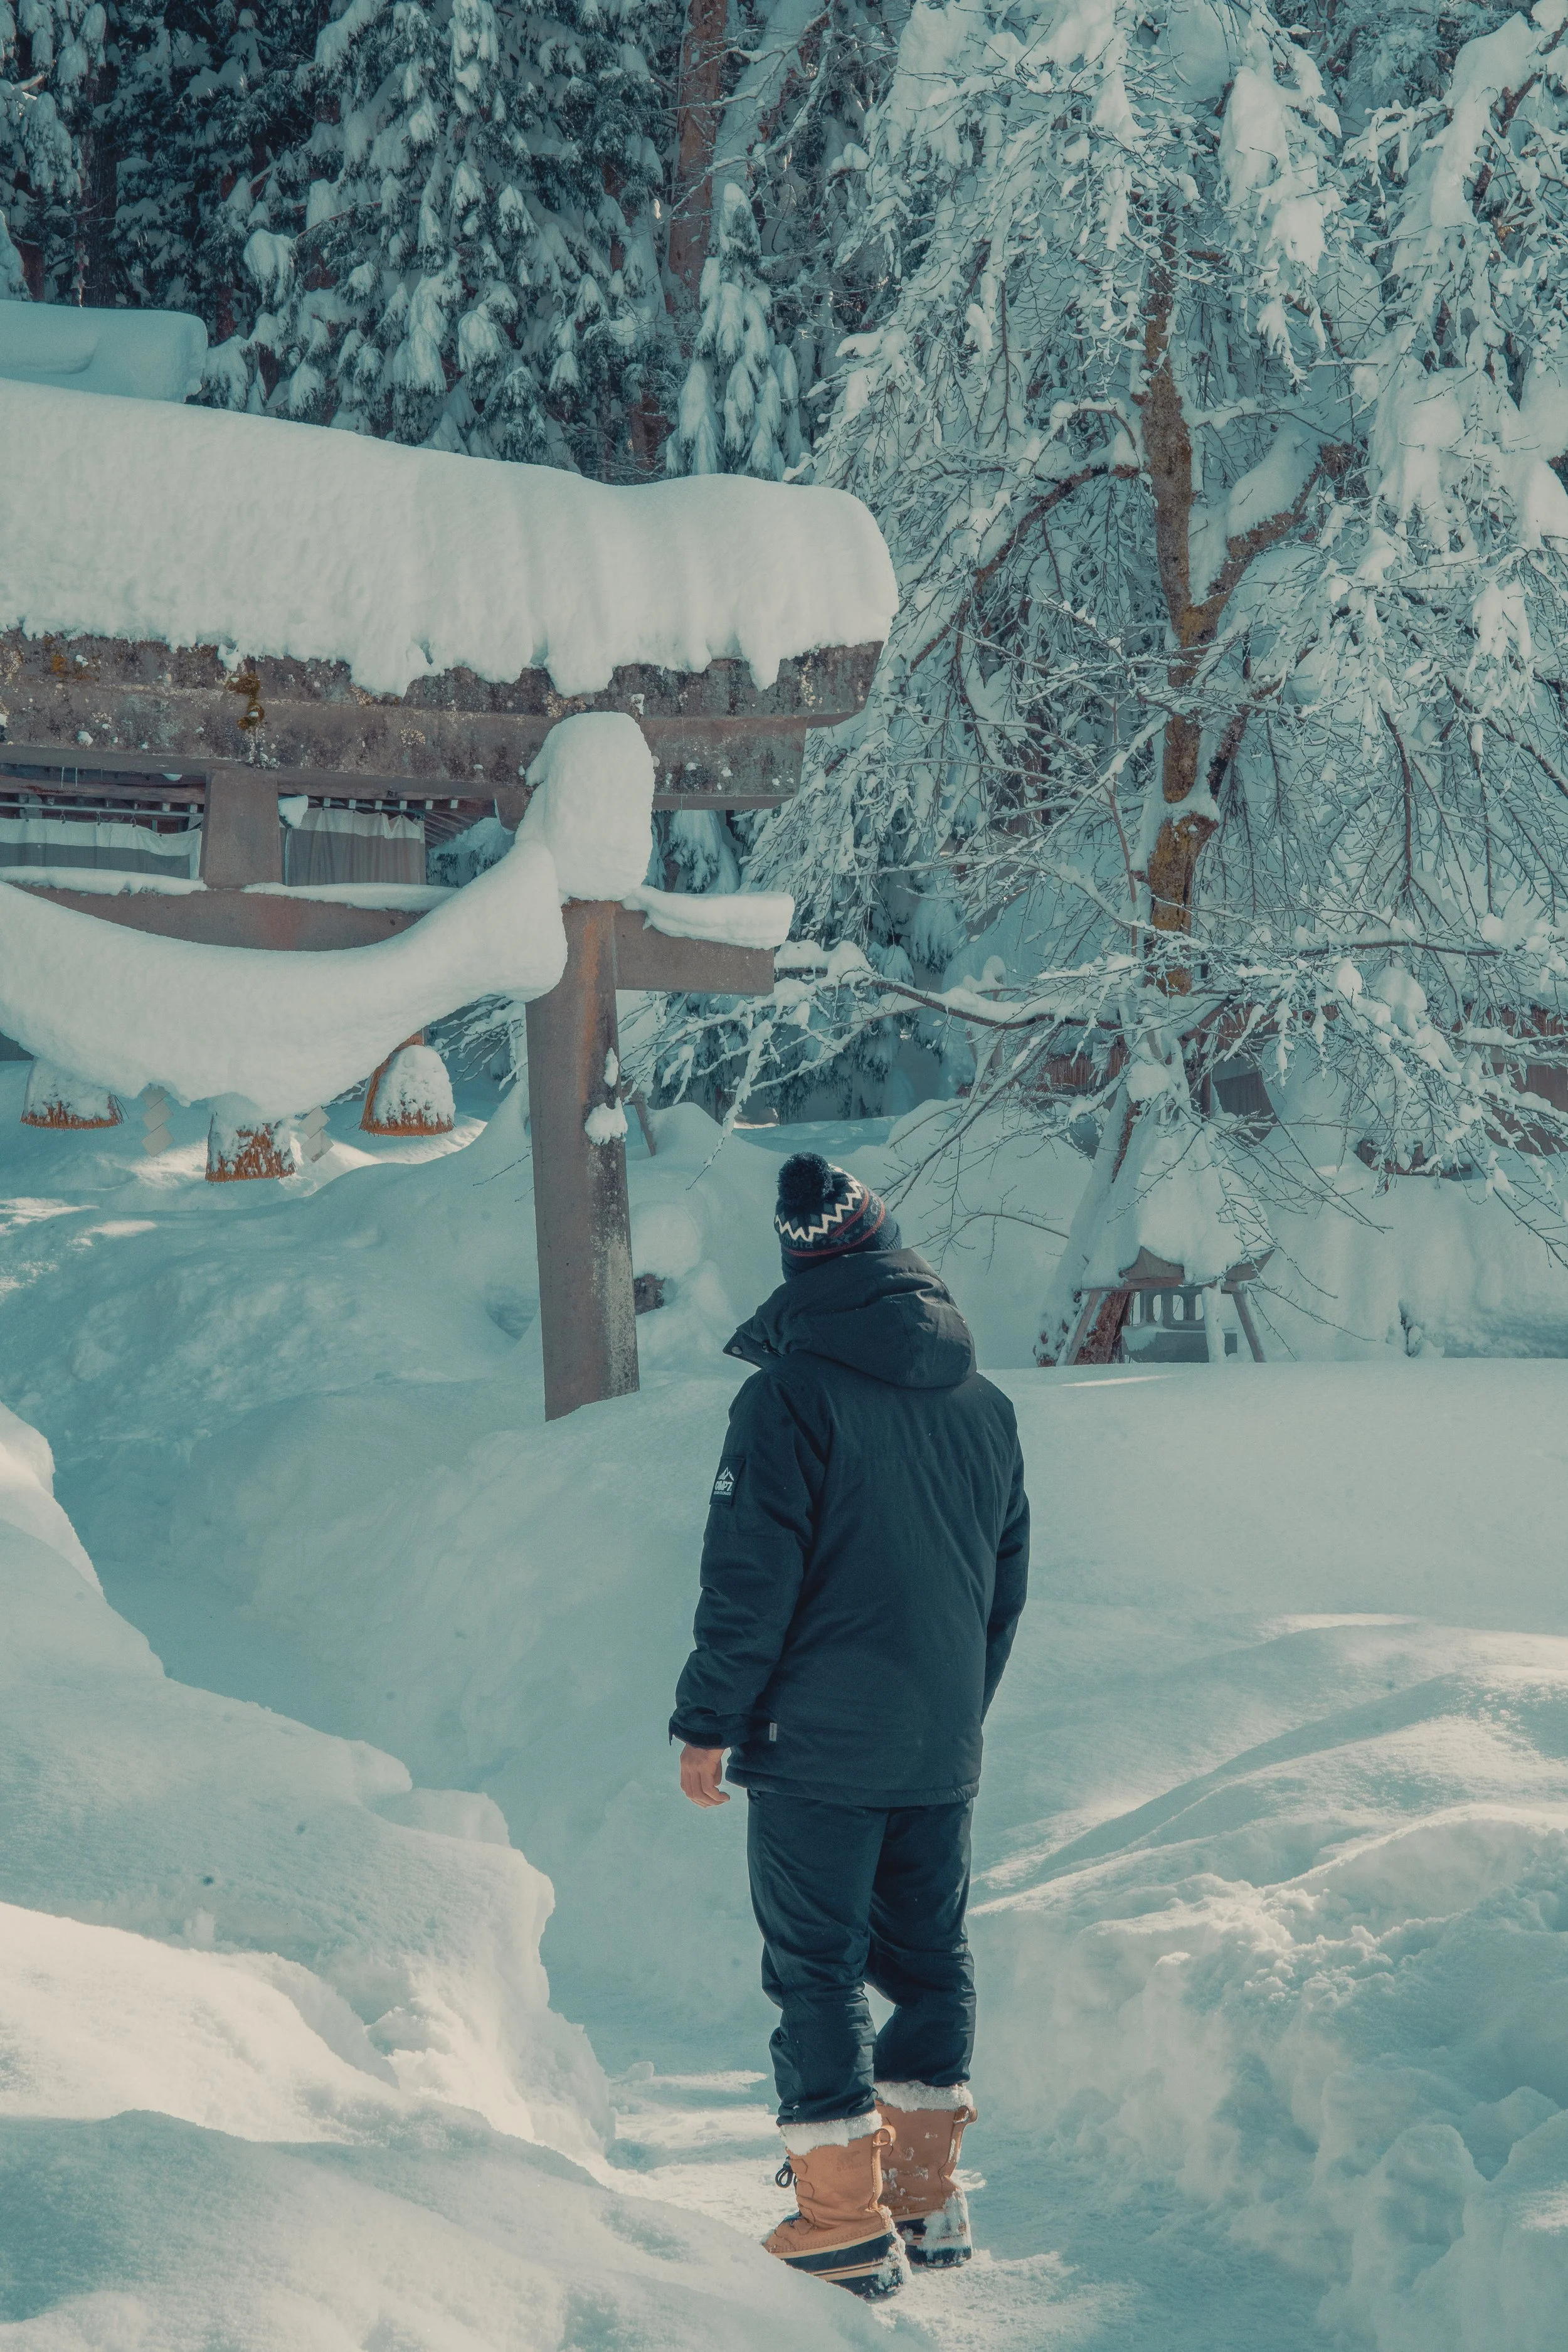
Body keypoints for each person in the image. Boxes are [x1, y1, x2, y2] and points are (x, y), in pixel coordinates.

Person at [670, 1152, 1029, 2300]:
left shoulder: (791, 1394)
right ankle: (925, 2196)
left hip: (816, 1745)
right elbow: (1002, 1588)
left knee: (818, 1967)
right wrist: (956, 1711)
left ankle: (839, 2219)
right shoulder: (985, 1403)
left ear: (803, 1266)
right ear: (888, 1248)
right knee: (930, 1960)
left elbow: (750, 1575)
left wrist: (708, 1720)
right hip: (941, 1741)